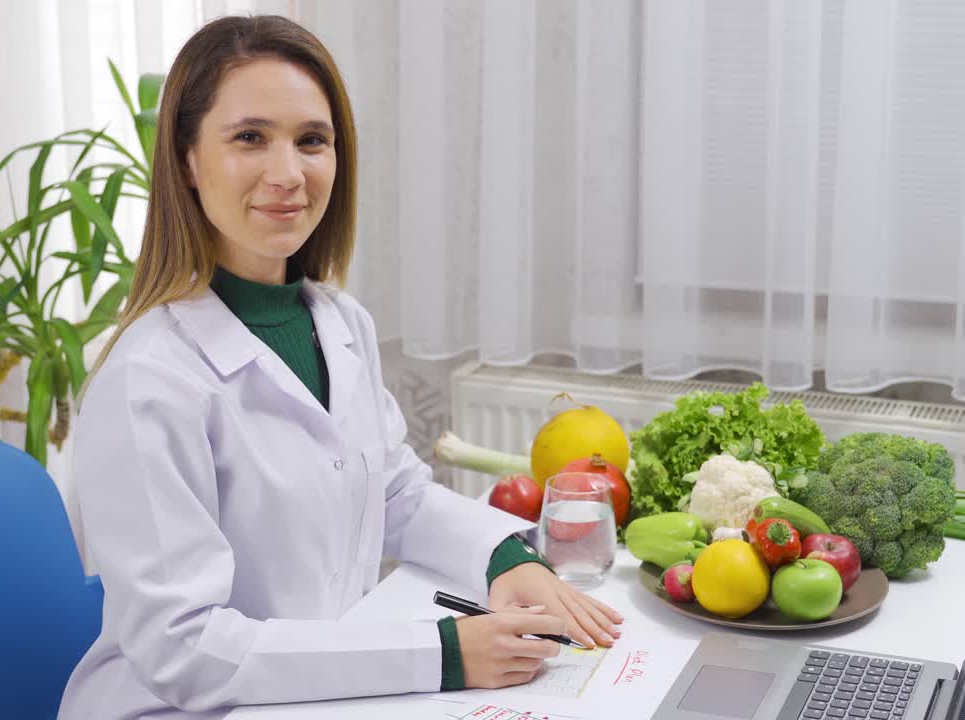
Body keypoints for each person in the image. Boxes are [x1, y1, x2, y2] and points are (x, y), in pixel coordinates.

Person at [58, 14, 623, 718]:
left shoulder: (338, 322)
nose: (288, 174)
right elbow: (185, 648)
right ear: (186, 162)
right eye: (250, 138)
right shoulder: (149, 378)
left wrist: (508, 561)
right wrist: (444, 653)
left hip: (319, 696)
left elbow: (396, 494)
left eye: (312, 141)